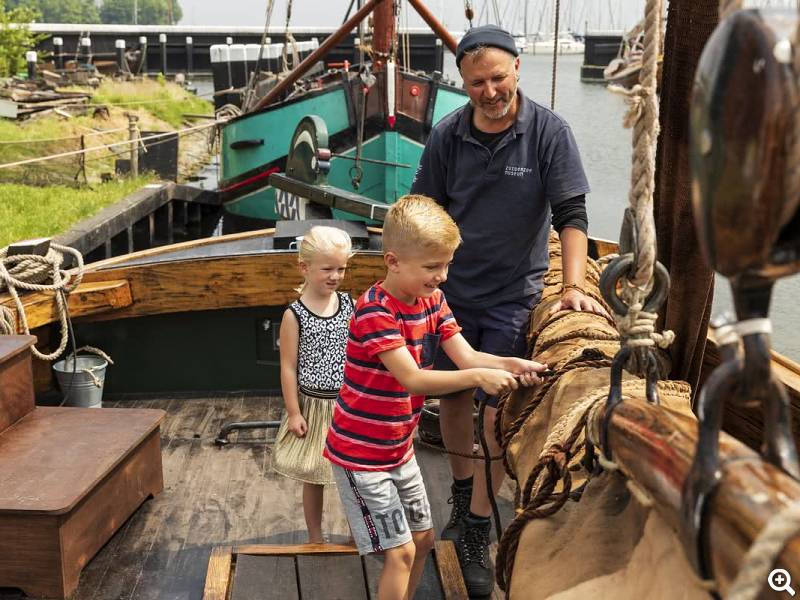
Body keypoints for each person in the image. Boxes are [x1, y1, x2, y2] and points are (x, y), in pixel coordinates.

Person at [410, 24, 608, 596]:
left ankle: (475, 522)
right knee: (450, 394)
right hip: (448, 292)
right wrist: (416, 281)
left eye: (498, 77)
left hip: (512, 294)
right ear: (462, 83)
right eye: (477, 83)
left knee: (497, 409)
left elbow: (571, 214)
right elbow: (426, 210)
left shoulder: (549, 133)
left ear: (517, 68)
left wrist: (572, 285)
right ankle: (460, 486)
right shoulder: (448, 137)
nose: (490, 91)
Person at [324, 194, 548, 600]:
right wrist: (479, 376)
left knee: (424, 541)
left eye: (446, 264)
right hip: (362, 456)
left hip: (399, 450)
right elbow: (412, 380)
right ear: (393, 261)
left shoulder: (433, 300)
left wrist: (510, 364)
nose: (442, 275)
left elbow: (468, 355)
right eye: (432, 267)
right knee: (401, 553)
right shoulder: (376, 311)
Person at [272, 225, 354, 544]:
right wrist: (294, 412)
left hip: (347, 405)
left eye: (342, 268)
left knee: (352, 476)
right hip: (315, 405)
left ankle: (353, 535)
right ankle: (316, 536)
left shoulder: (349, 304)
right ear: (304, 268)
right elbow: (288, 367)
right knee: (314, 475)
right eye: (328, 268)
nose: (336, 275)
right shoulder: (295, 315)